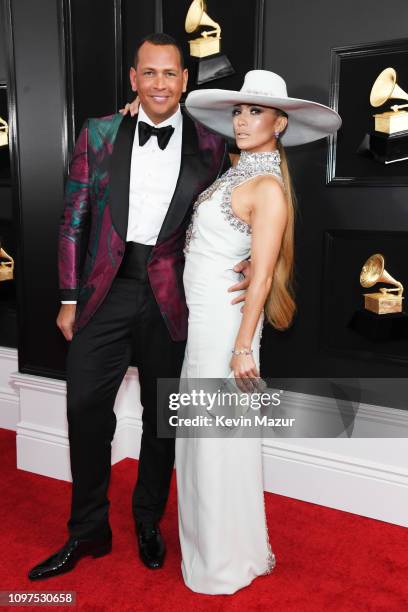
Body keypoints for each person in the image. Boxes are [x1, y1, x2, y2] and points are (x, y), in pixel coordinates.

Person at [28, 33, 250, 581]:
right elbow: (73, 219)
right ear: (133, 78)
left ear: (184, 79)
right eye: (149, 73)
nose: (159, 83)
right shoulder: (99, 133)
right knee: (84, 408)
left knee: (161, 421)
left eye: (170, 74)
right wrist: (67, 295)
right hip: (104, 293)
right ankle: (88, 531)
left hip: (174, 296)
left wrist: (250, 258)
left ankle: (148, 519)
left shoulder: (210, 144)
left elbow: (238, 207)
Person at [175, 69, 341, 594]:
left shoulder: (267, 186)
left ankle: (226, 560)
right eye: (239, 111)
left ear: (280, 123)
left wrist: (243, 345)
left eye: (256, 112)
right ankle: (214, 545)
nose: (243, 121)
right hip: (205, 323)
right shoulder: (232, 175)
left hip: (228, 332)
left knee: (219, 439)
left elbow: (264, 273)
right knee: (203, 438)